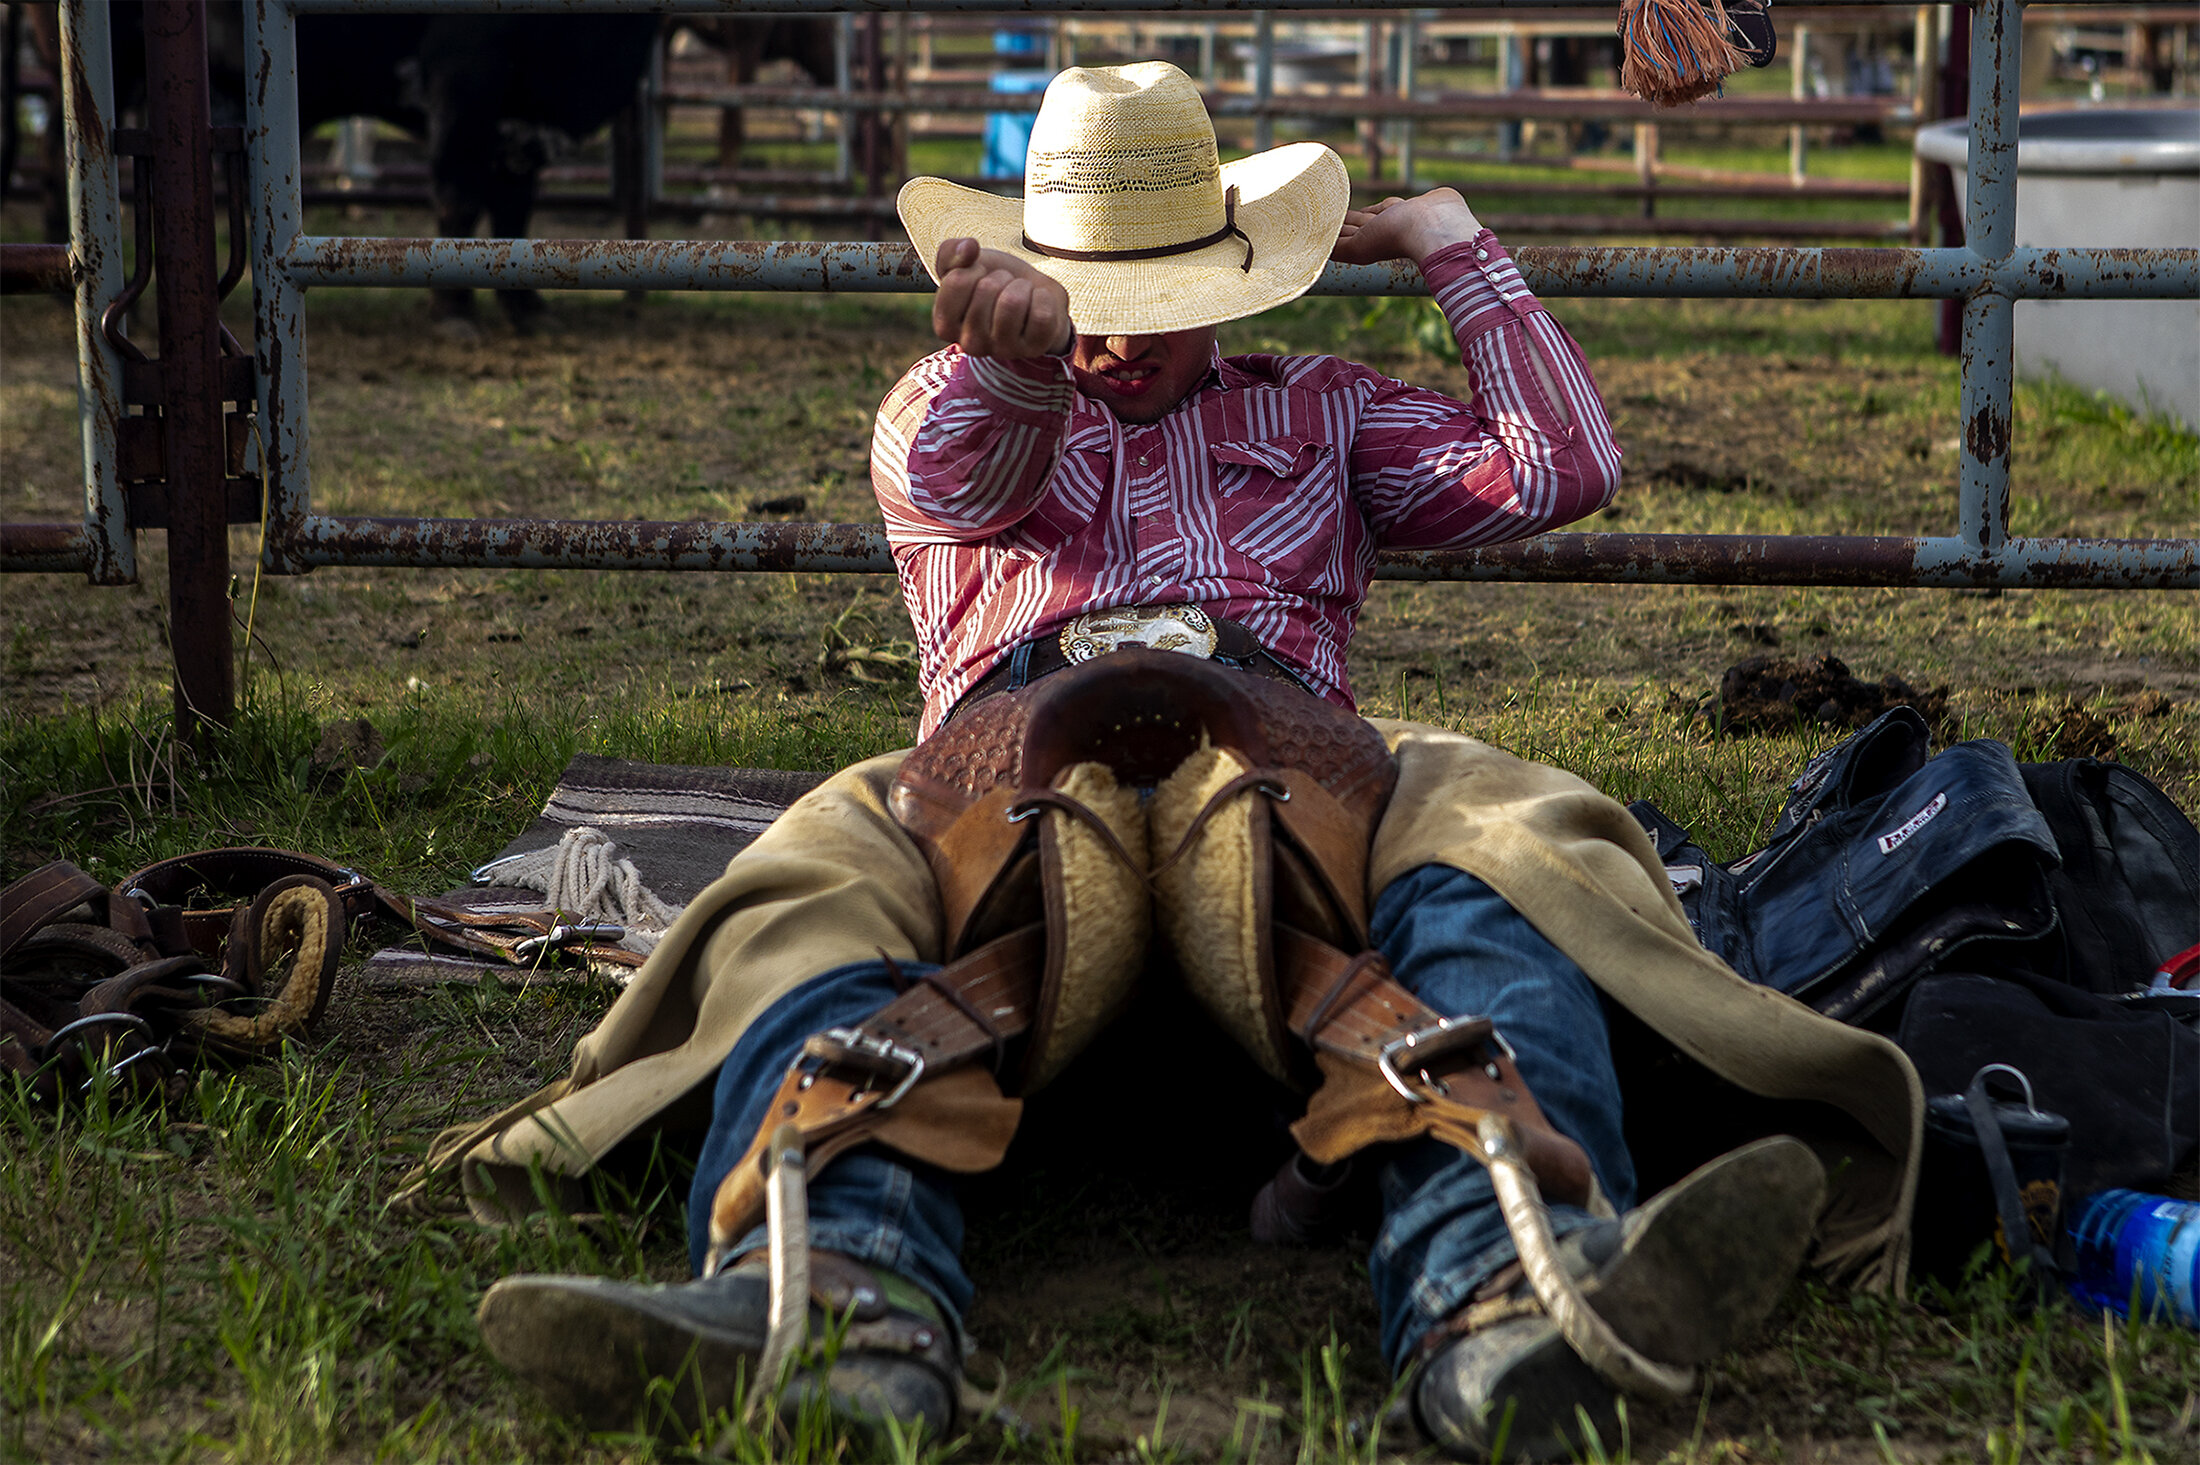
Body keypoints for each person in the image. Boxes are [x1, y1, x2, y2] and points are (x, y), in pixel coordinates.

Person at [459, 63, 1923, 1461]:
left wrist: (1446, 241)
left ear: (1230, 281)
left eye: (1150, 301)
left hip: (1295, 758)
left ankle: (1507, 1278)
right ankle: (834, 1284)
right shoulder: (942, 402)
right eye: (1089, 300)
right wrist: (1021, 366)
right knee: (821, 879)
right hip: (1006, 764)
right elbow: (970, 474)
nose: (1115, 334)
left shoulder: (1325, 407)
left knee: (1492, 846)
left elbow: (1561, 468)